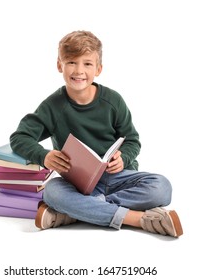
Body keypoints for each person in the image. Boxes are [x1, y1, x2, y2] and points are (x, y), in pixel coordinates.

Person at [10, 30, 183, 237]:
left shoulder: (113, 101)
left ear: (98, 69)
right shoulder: (53, 106)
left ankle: (75, 212)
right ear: (60, 65)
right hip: (78, 183)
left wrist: (124, 157)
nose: (79, 70)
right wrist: (45, 156)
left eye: (87, 64)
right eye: (71, 62)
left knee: (162, 187)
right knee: (52, 192)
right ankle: (138, 219)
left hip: (119, 177)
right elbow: (19, 137)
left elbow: (132, 141)